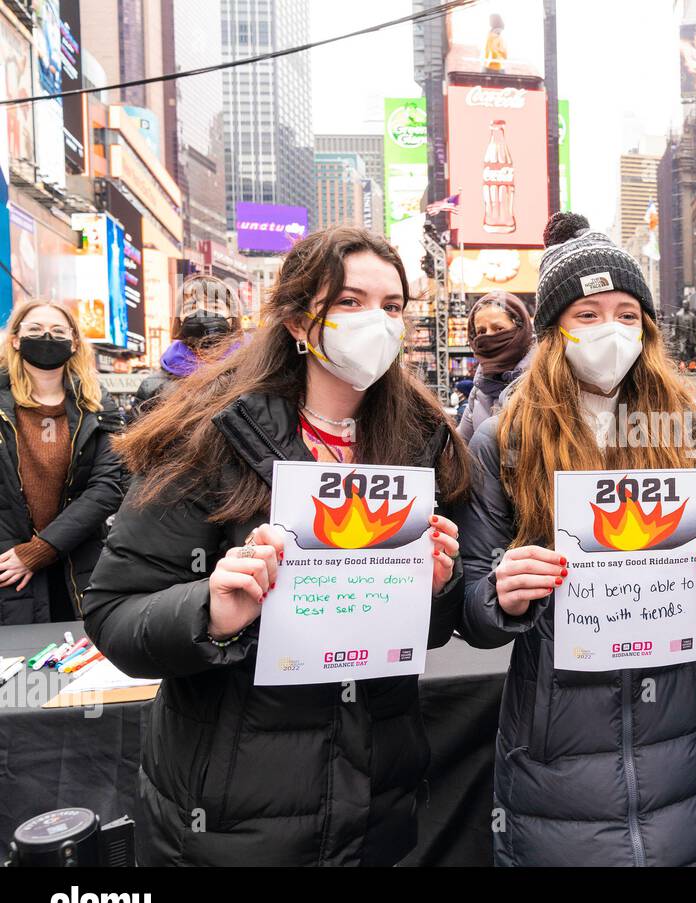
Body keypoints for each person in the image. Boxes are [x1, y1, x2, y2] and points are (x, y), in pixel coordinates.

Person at [82, 226, 472, 866]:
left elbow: (427, 632)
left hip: (377, 799)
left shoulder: (423, 442)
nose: (375, 320)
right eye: (348, 302)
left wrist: (438, 585)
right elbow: (114, 614)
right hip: (233, 815)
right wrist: (209, 612)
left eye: (392, 306)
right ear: (296, 320)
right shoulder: (207, 438)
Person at [459, 212, 696, 866]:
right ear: (553, 330)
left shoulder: (686, 429)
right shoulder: (503, 442)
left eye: (626, 313)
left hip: (683, 746)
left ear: (647, 327)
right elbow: (470, 603)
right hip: (558, 755)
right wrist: (502, 595)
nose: (610, 330)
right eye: (587, 314)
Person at [0, 299, 125, 624]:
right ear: (15, 338)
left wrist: (40, 550)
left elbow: (108, 487)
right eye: (35, 330)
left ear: (73, 342)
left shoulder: (98, 405)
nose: (47, 337)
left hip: (80, 564)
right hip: (8, 568)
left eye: (57, 331)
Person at [133, 274, 242, 418]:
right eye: (191, 307)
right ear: (179, 318)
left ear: (232, 318)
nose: (202, 313)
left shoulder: (254, 373)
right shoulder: (153, 387)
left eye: (215, 306)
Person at [456, 290, 534, 442]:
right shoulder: (478, 392)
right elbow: (461, 446)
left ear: (520, 327)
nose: (489, 336)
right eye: (481, 331)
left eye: (499, 329)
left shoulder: (546, 379)